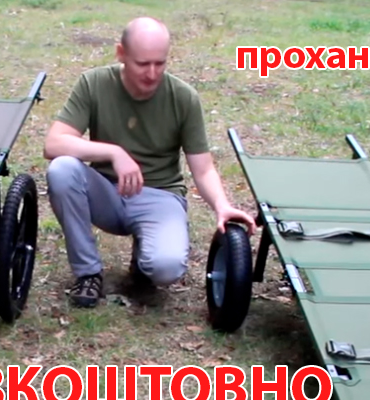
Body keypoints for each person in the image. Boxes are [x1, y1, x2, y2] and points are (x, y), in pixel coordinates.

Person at [42, 16, 256, 308]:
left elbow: (203, 168)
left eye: (160, 63)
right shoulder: (94, 83)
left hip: (160, 195)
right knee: (62, 170)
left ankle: (144, 259)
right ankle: (88, 273)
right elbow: (54, 143)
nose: (152, 74)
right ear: (121, 53)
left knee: (167, 268)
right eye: (142, 64)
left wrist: (222, 205)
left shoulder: (183, 98)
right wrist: (114, 153)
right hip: (107, 191)